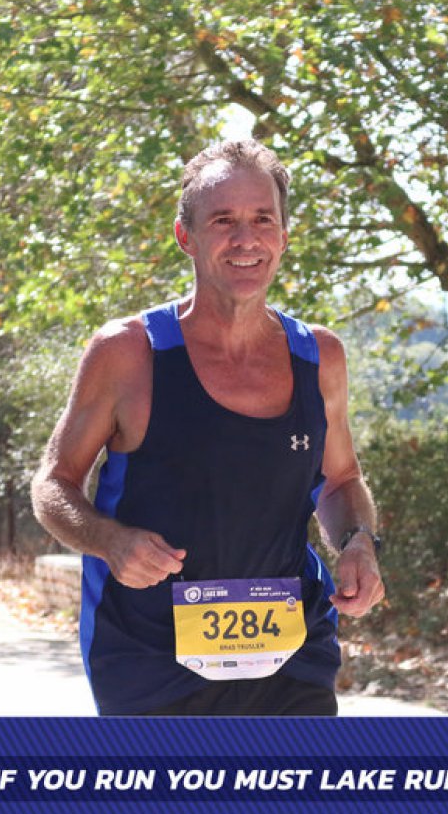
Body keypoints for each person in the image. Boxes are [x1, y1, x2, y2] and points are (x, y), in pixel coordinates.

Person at [31, 139, 385, 716]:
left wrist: (358, 543)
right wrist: (110, 541)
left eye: (262, 219)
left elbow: (341, 481)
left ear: (284, 236)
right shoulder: (128, 353)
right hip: (150, 656)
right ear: (185, 236)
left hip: (290, 650)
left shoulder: (319, 357)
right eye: (223, 221)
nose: (246, 239)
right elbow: (53, 484)